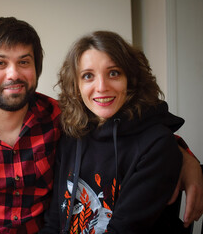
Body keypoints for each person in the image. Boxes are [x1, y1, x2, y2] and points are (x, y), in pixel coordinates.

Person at [0, 17, 203, 233]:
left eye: (24, 62)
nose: (14, 74)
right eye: (0, 63)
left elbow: (130, 133)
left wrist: (184, 157)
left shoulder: (60, 117)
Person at [40, 31, 200, 234]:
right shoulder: (71, 135)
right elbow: (54, 223)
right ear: (76, 86)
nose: (102, 87)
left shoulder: (157, 144)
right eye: (88, 76)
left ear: (131, 79)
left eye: (113, 73)